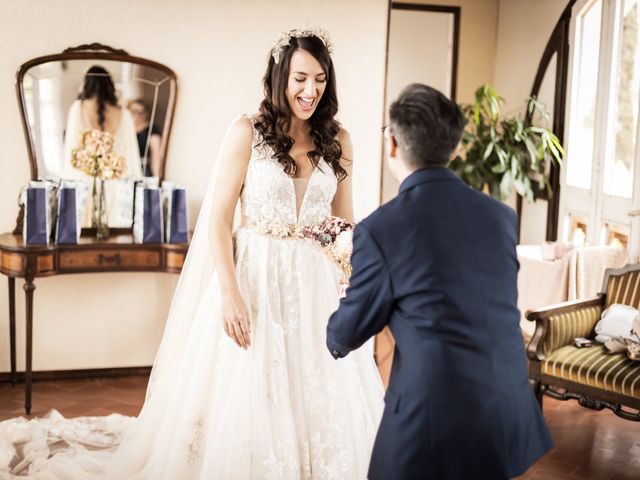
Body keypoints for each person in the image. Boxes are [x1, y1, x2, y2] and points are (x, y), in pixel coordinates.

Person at [0, 28, 383, 479]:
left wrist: (353, 280)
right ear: (281, 76)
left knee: (317, 392)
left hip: (314, 289)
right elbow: (219, 220)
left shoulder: (340, 139)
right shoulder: (249, 133)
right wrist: (230, 293)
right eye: (300, 78)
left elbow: (344, 222)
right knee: (252, 390)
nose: (310, 90)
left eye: (320, 79)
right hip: (255, 280)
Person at [327, 83, 553, 479]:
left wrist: (352, 292)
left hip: (432, 422)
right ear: (455, 147)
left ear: (392, 145)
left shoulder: (382, 229)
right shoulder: (500, 217)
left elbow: (343, 337)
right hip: (508, 409)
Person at [127, 99, 162, 177]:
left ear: (145, 114)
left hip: (143, 171)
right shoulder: (126, 130)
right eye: (132, 111)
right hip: (127, 170)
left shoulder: (151, 130)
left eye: (139, 112)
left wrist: (157, 177)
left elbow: (156, 157)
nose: (135, 115)